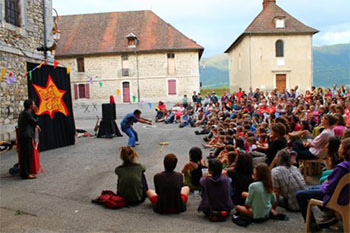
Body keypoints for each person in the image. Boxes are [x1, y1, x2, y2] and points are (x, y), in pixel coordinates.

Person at [296, 137, 350, 230]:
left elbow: (328, 188)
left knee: (300, 194)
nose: (339, 147)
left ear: (345, 150)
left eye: (341, 146)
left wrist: (325, 183)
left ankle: (312, 224)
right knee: (310, 189)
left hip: (335, 196)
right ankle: (329, 215)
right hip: (344, 194)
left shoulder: (342, 167)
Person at [17, 99, 40, 179]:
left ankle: (25, 172)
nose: (34, 106)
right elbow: (34, 121)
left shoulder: (24, 113)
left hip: (23, 135)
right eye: (33, 104)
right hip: (26, 136)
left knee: (25, 155)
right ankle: (26, 173)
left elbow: (29, 123)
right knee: (27, 155)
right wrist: (37, 114)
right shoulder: (27, 114)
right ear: (30, 106)